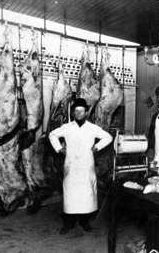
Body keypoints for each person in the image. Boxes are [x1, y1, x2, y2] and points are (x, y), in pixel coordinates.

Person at [49, 98, 112, 234]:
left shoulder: (92, 128)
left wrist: (97, 146)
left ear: (86, 112)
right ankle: (68, 223)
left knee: (86, 195)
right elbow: (52, 135)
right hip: (71, 166)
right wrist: (59, 148)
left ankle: (85, 222)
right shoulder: (67, 127)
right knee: (70, 195)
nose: (78, 113)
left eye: (81, 111)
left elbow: (108, 137)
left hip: (86, 166)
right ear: (73, 112)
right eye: (76, 111)